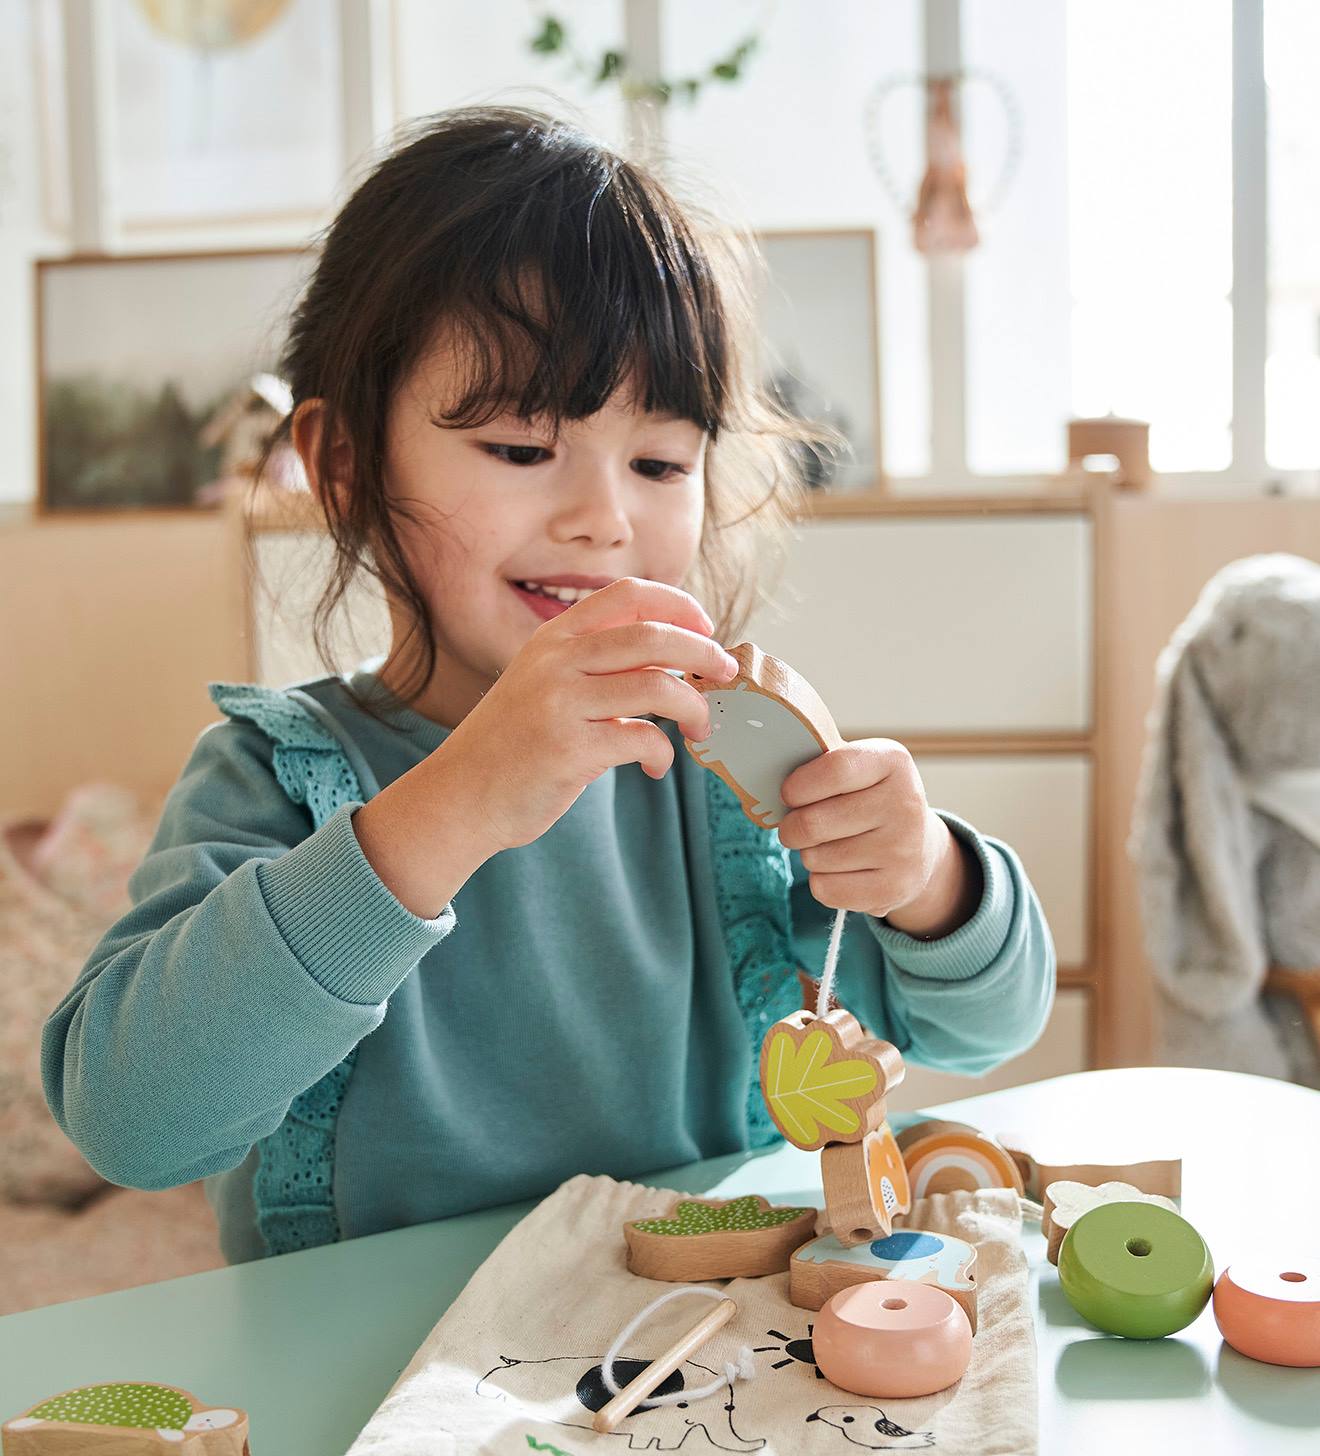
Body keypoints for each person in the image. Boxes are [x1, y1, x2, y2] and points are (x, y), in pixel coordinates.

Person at [42, 107, 1055, 1263]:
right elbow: (132, 1121)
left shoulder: (722, 774)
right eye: (522, 449)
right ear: (344, 465)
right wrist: (456, 801)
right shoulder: (277, 774)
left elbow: (990, 1022)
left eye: (661, 462)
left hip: (686, 1355)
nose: (603, 518)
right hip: (382, 1402)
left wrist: (930, 875)